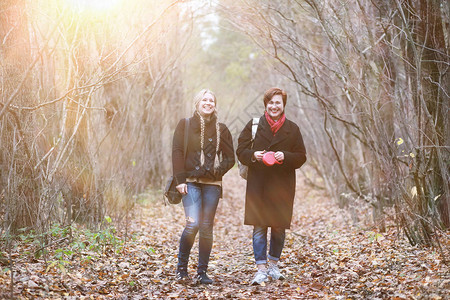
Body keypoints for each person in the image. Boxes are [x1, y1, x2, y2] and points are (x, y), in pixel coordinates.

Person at [236, 87, 307, 285]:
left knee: (278, 227)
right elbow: (240, 150)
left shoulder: (293, 129)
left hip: (282, 186)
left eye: (278, 102)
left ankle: (274, 266)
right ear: (266, 104)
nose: (274, 106)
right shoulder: (254, 125)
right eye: (271, 102)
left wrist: (286, 156)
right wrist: (253, 155)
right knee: (259, 227)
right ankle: (260, 269)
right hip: (258, 185)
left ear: (283, 105)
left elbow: (301, 156)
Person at [172, 89, 235, 284]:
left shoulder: (222, 129)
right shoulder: (185, 124)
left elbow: (230, 158)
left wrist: (217, 171)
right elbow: (177, 151)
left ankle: (202, 272)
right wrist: (180, 180)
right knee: (193, 224)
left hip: (212, 185)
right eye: (204, 100)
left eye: (211, 100)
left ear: (215, 105)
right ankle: (181, 270)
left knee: (206, 227)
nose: (208, 103)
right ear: (197, 103)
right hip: (189, 183)